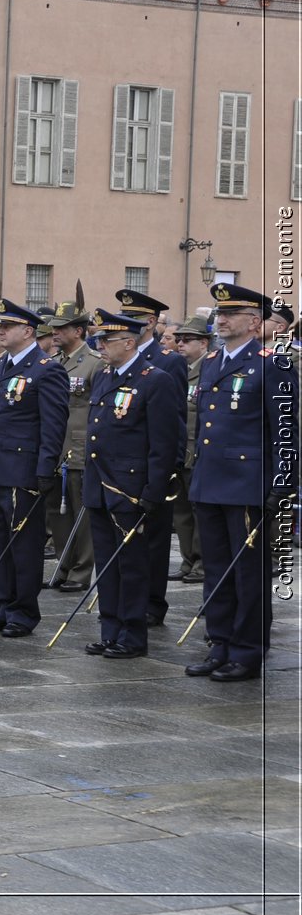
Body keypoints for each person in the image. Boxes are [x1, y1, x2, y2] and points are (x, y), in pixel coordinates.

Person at [184, 283, 291, 682]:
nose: (221, 319)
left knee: (248, 573)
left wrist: (280, 486)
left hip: (247, 484)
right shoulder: (211, 363)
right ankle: (221, 643)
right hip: (210, 481)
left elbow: (285, 434)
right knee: (216, 569)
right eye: (218, 313)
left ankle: (247, 652)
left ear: (254, 322)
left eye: (230, 314)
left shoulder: (272, 365)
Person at [80, 308, 181, 659]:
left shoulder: (154, 379)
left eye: (106, 340)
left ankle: (133, 635)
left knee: (132, 567)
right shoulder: (105, 376)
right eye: (99, 340)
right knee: (107, 564)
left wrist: (152, 491)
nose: (100, 345)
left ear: (128, 341)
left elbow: (164, 443)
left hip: (131, 489)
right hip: (101, 486)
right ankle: (111, 630)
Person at [0, 300, 68, 637]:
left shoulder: (46, 369)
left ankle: (24, 610)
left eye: (6, 327)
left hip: (19, 469)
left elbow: (53, 424)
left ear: (27, 331)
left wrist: (45, 468)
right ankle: (2, 605)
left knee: (22, 544)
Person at [113, 289, 187, 627]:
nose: (124, 322)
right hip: (120, 463)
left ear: (151, 322)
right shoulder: (116, 358)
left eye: (133, 317)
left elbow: (176, 419)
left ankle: (152, 603)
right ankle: (125, 599)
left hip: (151, 462)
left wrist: (171, 466)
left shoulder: (168, 360)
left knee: (154, 540)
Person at [47, 296, 101, 592]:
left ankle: (81, 571)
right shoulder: (54, 363)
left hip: (79, 447)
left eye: (61, 328)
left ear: (78, 331)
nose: (54, 332)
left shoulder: (94, 364)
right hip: (55, 446)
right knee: (57, 512)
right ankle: (63, 565)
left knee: (82, 512)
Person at [169, 316, 209, 585]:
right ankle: (187, 559)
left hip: (198, 451)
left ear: (203, 343)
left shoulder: (209, 369)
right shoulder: (178, 370)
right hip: (179, 450)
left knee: (200, 512)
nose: (180, 344)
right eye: (178, 339)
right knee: (180, 511)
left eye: (187, 340)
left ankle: (203, 563)